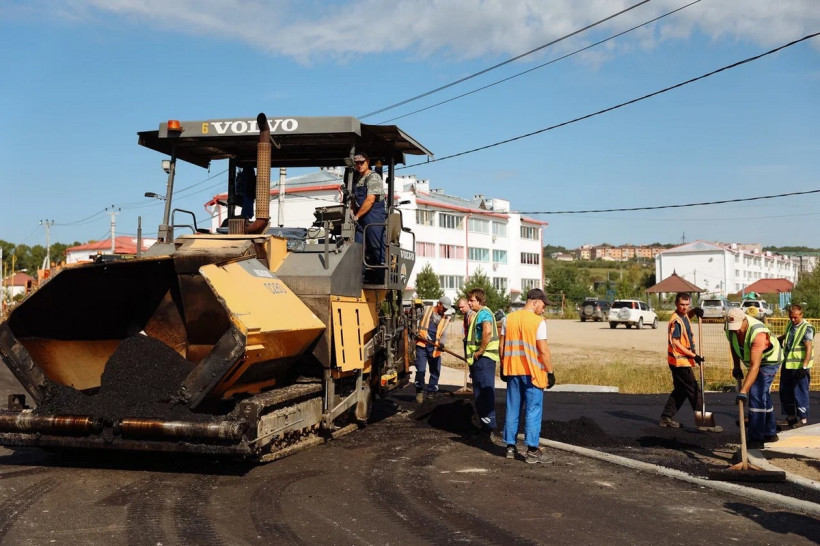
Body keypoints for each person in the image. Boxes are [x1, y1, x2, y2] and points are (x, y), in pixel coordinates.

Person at [499, 288, 555, 463]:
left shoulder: (508, 319)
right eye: (543, 305)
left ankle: (510, 447)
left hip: (513, 371)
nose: (543, 310)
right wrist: (550, 372)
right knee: (533, 410)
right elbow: (543, 350)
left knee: (512, 408)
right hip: (533, 373)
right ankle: (532, 451)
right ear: (535, 301)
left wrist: (503, 366)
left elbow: (501, 346)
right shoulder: (538, 322)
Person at [659, 293, 722, 432]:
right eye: (682, 305)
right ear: (676, 304)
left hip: (679, 360)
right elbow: (676, 343)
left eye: (687, 305)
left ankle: (666, 417)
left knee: (681, 390)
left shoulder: (683, 315)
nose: (685, 307)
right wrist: (694, 356)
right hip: (679, 362)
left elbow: (687, 315)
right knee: (694, 390)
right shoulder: (676, 321)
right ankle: (704, 423)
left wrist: (695, 311)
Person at [725, 307, 783, 449]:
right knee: (763, 394)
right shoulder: (730, 328)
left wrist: (743, 391)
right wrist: (736, 367)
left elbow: (755, 366)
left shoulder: (758, 333)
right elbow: (734, 344)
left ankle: (756, 439)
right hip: (754, 362)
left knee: (756, 392)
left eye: (738, 327)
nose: (736, 331)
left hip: (769, 361)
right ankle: (770, 432)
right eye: (733, 328)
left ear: (744, 320)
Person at [465, 288, 499, 441]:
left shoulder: (484, 313)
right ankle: (485, 428)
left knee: (484, 393)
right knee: (480, 394)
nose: (469, 303)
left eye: (472, 300)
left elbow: (487, 330)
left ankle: (488, 429)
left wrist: (481, 350)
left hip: (484, 359)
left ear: (480, 300)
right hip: (481, 360)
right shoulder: (479, 314)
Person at [777, 304, 814, 429]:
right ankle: (791, 417)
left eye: (795, 317)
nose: (793, 320)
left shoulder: (807, 328)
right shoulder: (790, 325)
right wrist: (779, 339)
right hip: (788, 364)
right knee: (785, 391)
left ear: (801, 315)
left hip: (799, 367)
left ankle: (803, 419)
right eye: (791, 317)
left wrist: (804, 367)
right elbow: (788, 336)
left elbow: (808, 347)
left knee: (800, 392)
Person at [351, 153, 387, 272]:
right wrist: (353, 211)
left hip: (374, 216)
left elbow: (370, 200)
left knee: (376, 247)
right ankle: (358, 277)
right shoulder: (357, 179)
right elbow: (354, 199)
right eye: (357, 163)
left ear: (367, 161)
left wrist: (356, 216)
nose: (359, 165)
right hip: (361, 218)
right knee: (357, 248)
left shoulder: (373, 176)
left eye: (362, 162)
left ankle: (381, 275)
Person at [414, 296, 454, 403]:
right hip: (422, 345)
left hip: (435, 347)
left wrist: (442, 344)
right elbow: (415, 321)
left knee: (435, 371)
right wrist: (416, 333)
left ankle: (432, 392)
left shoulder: (445, 318)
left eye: (446, 309)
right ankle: (419, 390)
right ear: (439, 304)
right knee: (421, 370)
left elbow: (444, 333)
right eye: (444, 308)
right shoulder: (426, 310)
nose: (444, 310)